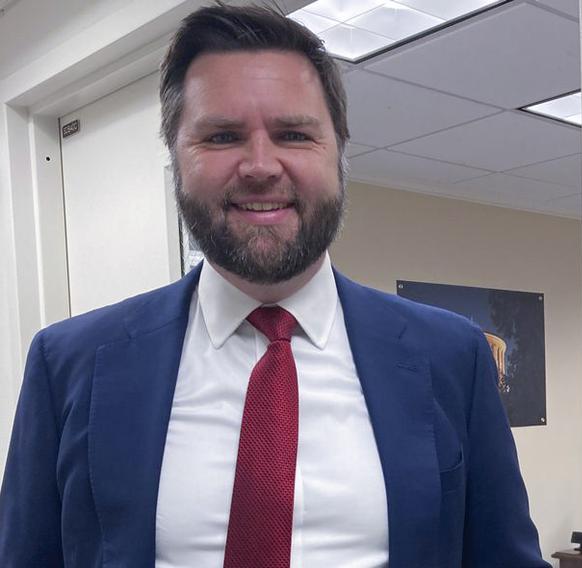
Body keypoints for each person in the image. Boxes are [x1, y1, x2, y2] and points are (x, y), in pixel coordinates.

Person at [0, 3, 549, 567]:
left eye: (292, 134)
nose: (260, 165)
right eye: (221, 136)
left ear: (340, 153)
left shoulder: (452, 355)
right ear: (176, 155)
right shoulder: (68, 364)